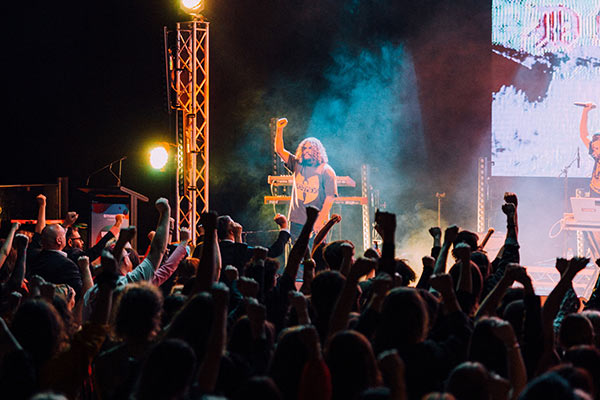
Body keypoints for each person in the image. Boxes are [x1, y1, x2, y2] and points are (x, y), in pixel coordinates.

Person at [274, 117, 338, 241]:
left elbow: (330, 198)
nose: (307, 151)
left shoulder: (327, 170)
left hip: (316, 222)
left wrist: (319, 222)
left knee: (315, 251)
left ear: (318, 151)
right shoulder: (297, 164)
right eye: (304, 148)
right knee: (298, 251)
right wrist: (279, 129)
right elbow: (279, 150)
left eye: (310, 148)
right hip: (296, 221)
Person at [578, 102, 599, 196]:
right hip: (595, 189)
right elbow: (583, 134)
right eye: (595, 147)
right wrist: (585, 112)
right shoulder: (596, 154)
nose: (595, 150)